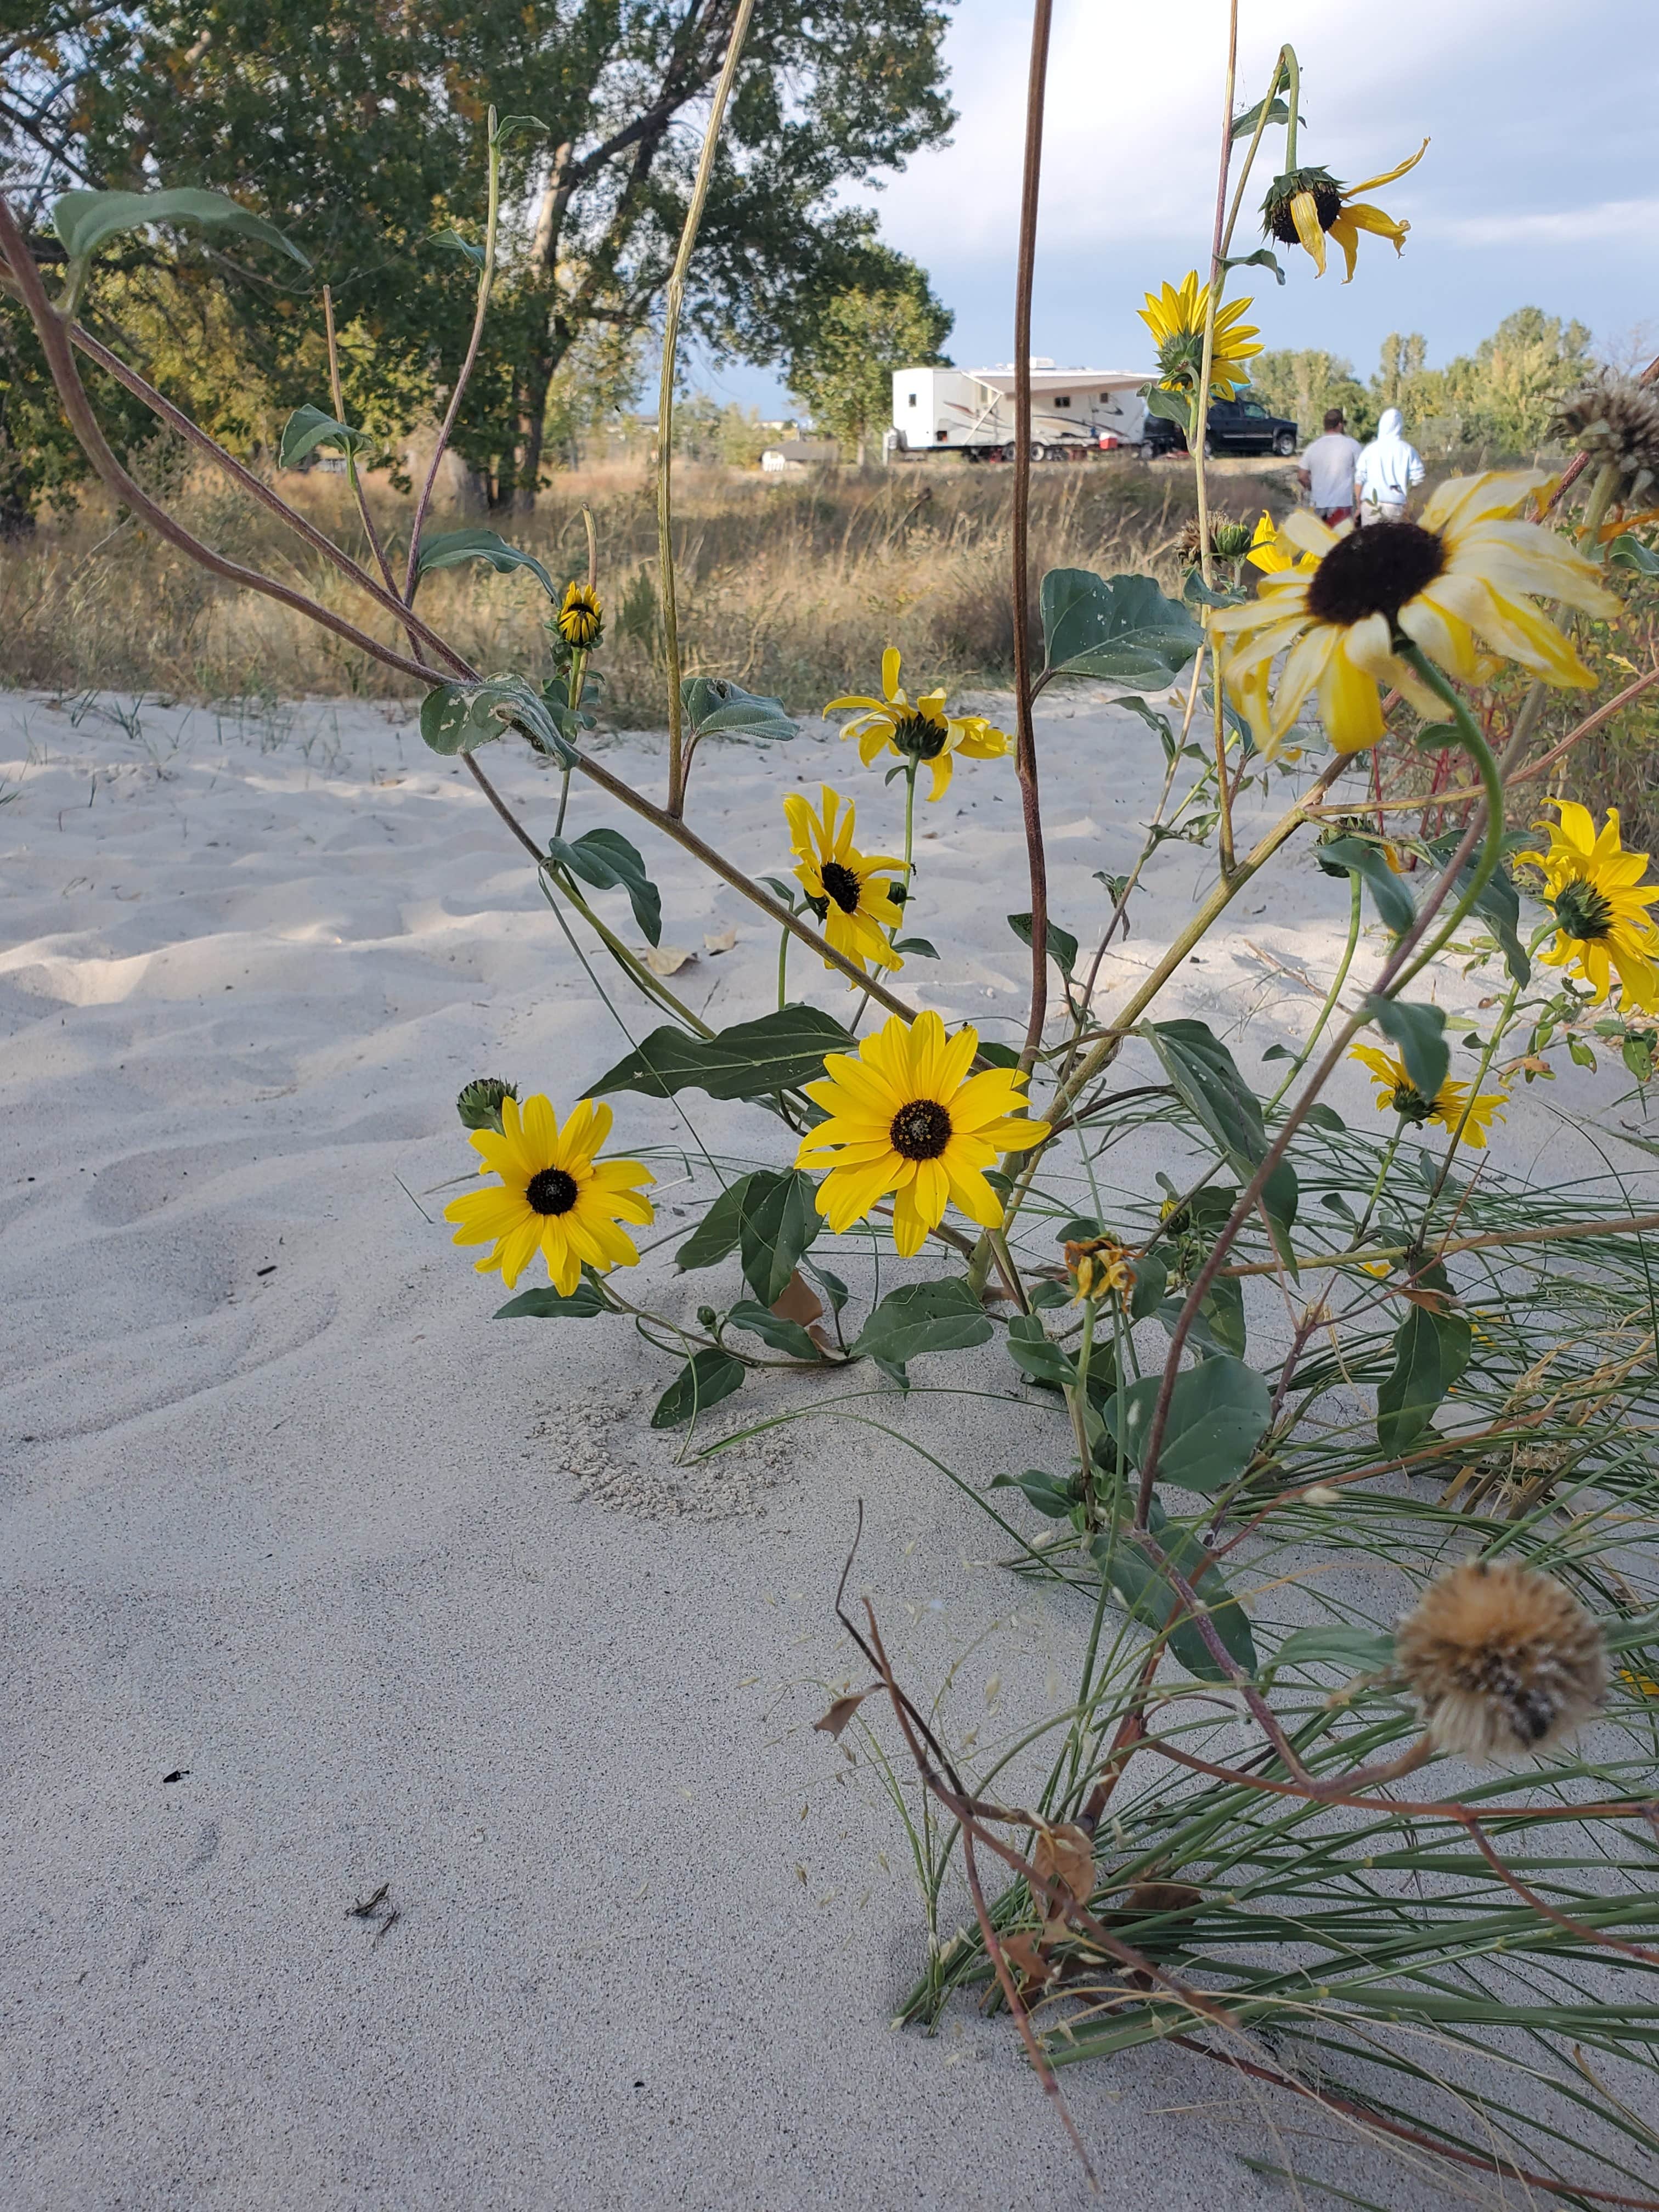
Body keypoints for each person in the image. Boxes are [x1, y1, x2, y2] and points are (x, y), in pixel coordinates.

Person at [1356, 406, 1425, 524]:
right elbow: (1419, 480)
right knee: (1393, 541)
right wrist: (1411, 503)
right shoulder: (1408, 450)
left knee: (1371, 541)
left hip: (1371, 505)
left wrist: (1359, 505)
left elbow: (1359, 480)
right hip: (1396, 505)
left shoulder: (1370, 450)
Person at [1297, 407, 1361, 524]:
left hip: (1317, 504)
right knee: (1341, 541)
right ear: (1340, 425)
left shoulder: (1313, 447)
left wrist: (1311, 487)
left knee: (1319, 540)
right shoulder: (1352, 445)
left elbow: (1302, 476)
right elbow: (1362, 474)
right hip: (1342, 505)